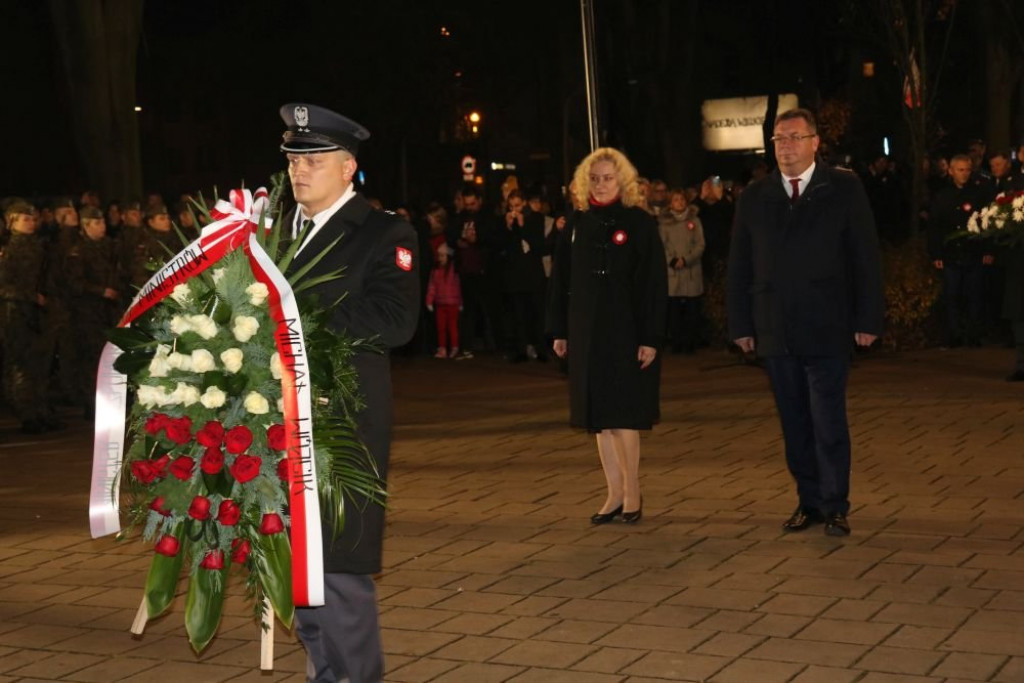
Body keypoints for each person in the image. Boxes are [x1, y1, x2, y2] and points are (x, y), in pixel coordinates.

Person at [278, 102, 419, 683]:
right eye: (292, 157)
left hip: (340, 430)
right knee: (298, 572)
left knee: (337, 571)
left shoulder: (385, 232)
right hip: (277, 426)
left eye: (313, 158)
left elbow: (395, 319)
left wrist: (295, 316)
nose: (298, 169)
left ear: (347, 167)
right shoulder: (273, 234)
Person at [727, 108, 884, 537]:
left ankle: (835, 504)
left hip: (827, 322)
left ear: (816, 143)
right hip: (775, 325)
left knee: (827, 418)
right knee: (794, 420)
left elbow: (865, 257)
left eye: (795, 137)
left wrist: (868, 317)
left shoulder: (843, 188)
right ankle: (808, 501)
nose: (786, 146)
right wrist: (740, 323)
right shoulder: (755, 197)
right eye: (779, 139)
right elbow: (740, 265)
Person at [547, 147, 667, 525]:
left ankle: (633, 492)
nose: (600, 185)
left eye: (607, 178)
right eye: (594, 178)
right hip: (585, 330)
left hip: (625, 329)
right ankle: (613, 493)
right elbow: (560, 282)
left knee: (623, 414)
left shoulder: (639, 223)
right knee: (598, 415)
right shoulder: (576, 223)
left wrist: (650, 337)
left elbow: (652, 285)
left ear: (623, 181)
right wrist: (559, 331)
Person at [0, 201, 60, 433]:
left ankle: (41, 410)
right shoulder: (8, 251)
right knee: (21, 366)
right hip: (15, 314)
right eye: (25, 219)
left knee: (40, 364)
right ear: (12, 222)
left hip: (39, 314)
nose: (31, 223)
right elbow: (3, 286)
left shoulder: (40, 248)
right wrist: (30, 296)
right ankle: (27, 414)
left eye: (33, 218)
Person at [927, 154, 995, 347]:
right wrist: (936, 253)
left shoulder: (979, 193)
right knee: (952, 296)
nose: (964, 174)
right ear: (951, 171)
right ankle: (954, 335)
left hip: (974, 251)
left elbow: (987, 222)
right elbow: (935, 227)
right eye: (960, 170)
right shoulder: (942, 195)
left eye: (967, 170)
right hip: (950, 253)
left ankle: (973, 335)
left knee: (975, 295)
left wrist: (988, 250)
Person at [63, 206, 119, 418]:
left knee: (111, 356)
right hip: (87, 311)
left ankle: (112, 400)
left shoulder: (109, 247)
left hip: (109, 310)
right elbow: (74, 283)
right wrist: (100, 291)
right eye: (96, 223)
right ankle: (91, 403)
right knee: (91, 359)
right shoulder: (78, 250)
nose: (102, 226)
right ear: (85, 226)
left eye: (103, 222)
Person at [658, 189, 705, 354]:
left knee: (692, 310)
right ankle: (677, 342)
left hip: (691, 271)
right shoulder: (664, 224)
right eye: (676, 200)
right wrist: (672, 260)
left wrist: (686, 259)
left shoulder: (695, 221)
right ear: (670, 203)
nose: (680, 202)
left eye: (682, 199)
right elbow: (661, 246)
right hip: (673, 272)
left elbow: (700, 244)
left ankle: (691, 342)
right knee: (674, 312)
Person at [425, 243, 462, 358]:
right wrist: (429, 301)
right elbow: (432, 287)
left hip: (452, 304)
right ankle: (442, 349)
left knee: (452, 327)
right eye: (439, 256)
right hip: (440, 304)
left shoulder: (453, 271)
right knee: (441, 328)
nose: (440, 258)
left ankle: (454, 347)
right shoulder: (435, 271)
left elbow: (458, 287)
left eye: (442, 256)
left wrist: (460, 302)